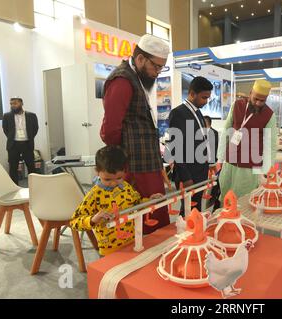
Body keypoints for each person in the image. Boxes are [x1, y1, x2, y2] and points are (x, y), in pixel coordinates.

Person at [100, 34, 170, 235]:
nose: (157, 72)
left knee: (154, 215)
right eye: (156, 67)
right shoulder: (122, 81)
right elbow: (110, 129)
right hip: (134, 165)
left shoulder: (135, 79)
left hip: (145, 163)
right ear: (140, 59)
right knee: (143, 219)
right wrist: (121, 160)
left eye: (161, 68)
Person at [70, 146, 162, 256]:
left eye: (119, 178)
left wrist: (149, 201)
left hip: (134, 242)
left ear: (124, 172)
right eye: (107, 179)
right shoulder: (94, 195)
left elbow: (137, 205)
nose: (114, 183)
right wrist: (93, 220)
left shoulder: (126, 187)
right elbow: (74, 222)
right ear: (97, 172)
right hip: (109, 250)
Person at [217, 80, 278, 201]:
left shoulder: (269, 115)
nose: (258, 103)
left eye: (262, 101)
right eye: (256, 99)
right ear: (250, 93)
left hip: (250, 167)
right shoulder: (237, 106)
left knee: (244, 200)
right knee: (225, 196)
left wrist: (265, 171)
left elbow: (270, 145)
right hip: (230, 163)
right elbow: (226, 131)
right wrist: (220, 158)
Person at [166, 76, 214, 216]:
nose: (206, 101)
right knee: (188, 209)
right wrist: (185, 177)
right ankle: (185, 235)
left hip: (200, 169)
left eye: (208, 98)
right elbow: (176, 149)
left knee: (196, 207)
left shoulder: (198, 112)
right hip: (188, 172)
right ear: (192, 94)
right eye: (204, 98)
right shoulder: (178, 113)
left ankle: (196, 233)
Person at [2, 97, 39, 185]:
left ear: (21, 103)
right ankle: (14, 188)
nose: (12, 105)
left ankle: (34, 186)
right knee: (13, 167)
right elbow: (5, 129)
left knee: (31, 166)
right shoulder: (7, 116)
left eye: (15, 103)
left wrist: (29, 138)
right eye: (11, 104)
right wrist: (12, 138)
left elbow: (35, 128)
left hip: (27, 144)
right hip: (13, 145)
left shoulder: (31, 115)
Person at [204, 115, 221, 210]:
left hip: (210, 158)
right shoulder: (214, 132)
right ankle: (210, 190)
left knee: (211, 175)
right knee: (214, 175)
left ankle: (210, 191)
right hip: (212, 158)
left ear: (207, 123)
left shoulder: (210, 133)